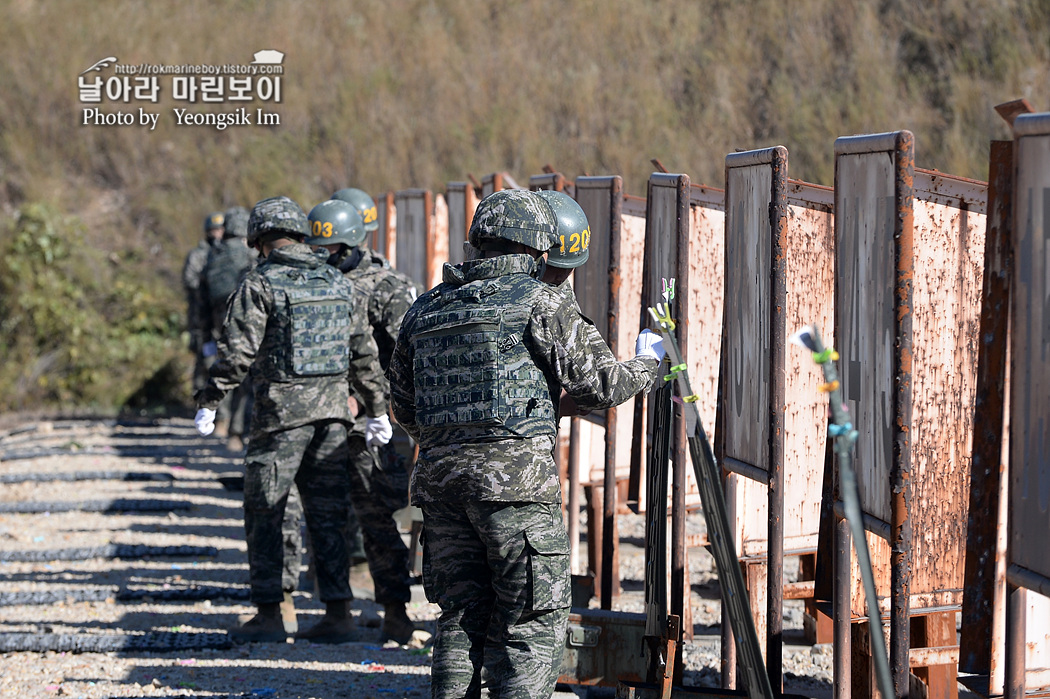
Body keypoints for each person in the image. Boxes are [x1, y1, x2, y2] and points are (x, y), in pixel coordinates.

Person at [387, 189, 666, 698]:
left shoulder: (424, 308)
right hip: (517, 495)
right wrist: (648, 362)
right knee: (531, 625)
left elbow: (405, 408)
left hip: (442, 489)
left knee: (460, 619)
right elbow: (599, 385)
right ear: (539, 248)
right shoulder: (541, 301)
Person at [194, 195, 389, 644]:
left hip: (280, 421)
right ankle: (338, 613)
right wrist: (377, 408)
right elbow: (364, 354)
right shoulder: (338, 283)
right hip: (333, 419)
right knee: (329, 516)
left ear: (259, 239)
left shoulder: (260, 283)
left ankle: (271, 614)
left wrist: (210, 399)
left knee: (267, 512)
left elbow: (237, 353)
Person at [306, 197, 418, 644]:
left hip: (371, 426)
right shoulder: (312, 284)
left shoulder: (388, 287)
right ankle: (336, 610)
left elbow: (409, 361)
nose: (325, 257)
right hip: (319, 421)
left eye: (332, 249)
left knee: (379, 521)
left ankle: (396, 612)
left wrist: (374, 405)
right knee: (324, 520)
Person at [199, 206, 256, 451]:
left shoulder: (213, 256)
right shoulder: (249, 257)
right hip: (245, 326)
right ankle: (238, 431)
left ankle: (220, 421)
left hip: (217, 324)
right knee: (246, 380)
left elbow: (200, 294)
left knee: (222, 372)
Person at [182, 211, 224, 392]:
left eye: (220, 230)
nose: (217, 234)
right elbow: (189, 280)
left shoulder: (224, 254)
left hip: (218, 314)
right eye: (213, 230)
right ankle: (200, 401)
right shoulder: (198, 254)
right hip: (200, 317)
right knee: (203, 359)